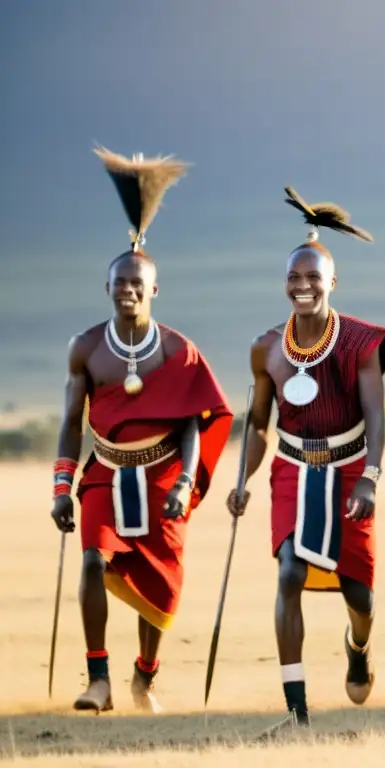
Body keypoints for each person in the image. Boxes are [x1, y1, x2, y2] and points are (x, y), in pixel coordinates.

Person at [50, 148, 233, 714]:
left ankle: (143, 678)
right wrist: (61, 487)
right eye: (118, 282)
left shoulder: (179, 351)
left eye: (137, 283)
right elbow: (70, 423)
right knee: (91, 561)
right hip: (105, 471)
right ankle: (98, 679)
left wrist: (183, 485)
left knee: (162, 584)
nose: (127, 290)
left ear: (155, 290)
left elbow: (193, 421)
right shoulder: (86, 348)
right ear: (106, 288)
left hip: (161, 475)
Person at [226, 186, 385, 728]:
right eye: (294, 279)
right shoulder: (266, 348)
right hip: (292, 470)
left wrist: (369, 478)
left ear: (332, 282)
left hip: (347, 468)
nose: (303, 287)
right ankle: (296, 707)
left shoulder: (361, 344)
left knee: (360, 594)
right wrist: (243, 479)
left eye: (313, 278)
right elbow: (257, 424)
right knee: (289, 572)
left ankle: (359, 647)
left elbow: (376, 417)